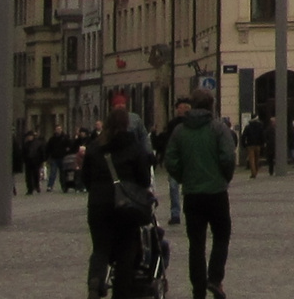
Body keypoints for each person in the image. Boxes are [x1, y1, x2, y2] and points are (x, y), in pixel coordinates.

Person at [166, 89, 234, 299]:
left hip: (192, 195)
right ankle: (214, 278)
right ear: (211, 105)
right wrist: (224, 177)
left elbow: (170, 161)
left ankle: (198, 290)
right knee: (222, 236)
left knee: (196, 244)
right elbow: (228, 158)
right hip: (216, 193)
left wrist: (183, 178)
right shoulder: (218, 128)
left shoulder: (180, 131)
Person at [85, 107, 154, 299]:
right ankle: (121, 294)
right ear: (126, 125)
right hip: (126, 207)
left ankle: (95, 280)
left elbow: (85, 179)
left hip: (98, 205)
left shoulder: (94, 147)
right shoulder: (134, 147)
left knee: (100, 247)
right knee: (126, 250)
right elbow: (145, 179)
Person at [154, 98, 191, 226]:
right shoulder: (172, 124)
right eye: (179, 107)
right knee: (173, 187)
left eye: (183, 107)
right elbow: (168, 142)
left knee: (188, 188)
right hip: (176, 159)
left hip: (188, 159)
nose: (181, 110)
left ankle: (189, 211)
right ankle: (175, 213)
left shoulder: (192, 122)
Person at [46, 124, 72, 192]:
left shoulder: (65, 138)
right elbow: (48, 148)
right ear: (55, 130)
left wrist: (67, 151)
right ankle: (50, 186)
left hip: (63, 158)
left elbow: (70, 145)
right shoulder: (52, 139)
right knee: (53, 173)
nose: (58, 130)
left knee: (63, 173)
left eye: (59, 129)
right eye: (57, 129)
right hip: (54, 158)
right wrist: (48, 157)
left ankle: (64, 186)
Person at [240, 113, 265, 179]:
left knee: (252, 160)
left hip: (250, 145)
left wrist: (244, 144)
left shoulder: (248, 126)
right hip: (258, 145)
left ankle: (253, 173)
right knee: (257, 159)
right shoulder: (260, 125)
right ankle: (256, 171)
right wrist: (262, 143)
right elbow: (262, 135)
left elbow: (243, 136)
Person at [22, 129, 44, 195]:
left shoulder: (38, 143)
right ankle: (30, 189)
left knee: (36, 175)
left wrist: (41, 160)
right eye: (28, 136)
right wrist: (24, 159)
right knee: (28, 177)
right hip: (28, 162)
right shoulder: (26, 144)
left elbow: (41, 152)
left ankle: (37, 186)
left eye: (30, 136)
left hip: (36, 162)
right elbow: (23, 153)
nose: (29, 137)